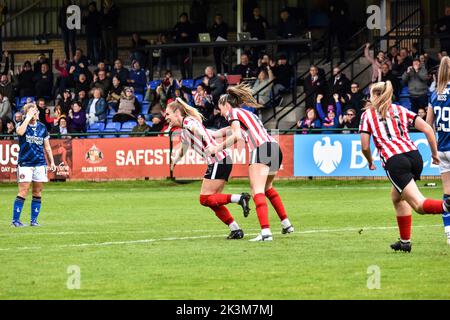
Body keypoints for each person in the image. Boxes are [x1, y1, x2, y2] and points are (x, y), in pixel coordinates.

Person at [359, 80, 450, 252]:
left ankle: (446, 206)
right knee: (397, 197)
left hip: (395, 161)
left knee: (418, 205)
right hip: (415, 157)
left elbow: (364, 146)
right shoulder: (400, 109)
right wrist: (434, 153)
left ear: (374, 96)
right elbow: (428, 129)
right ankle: (405, 242)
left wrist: (370, 161)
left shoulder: (367, 115)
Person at [209, 84, 294, 241]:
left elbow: (236, 136)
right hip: (274, 149)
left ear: (226, 104)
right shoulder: (247, 114)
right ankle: (286, 224)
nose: (221, 113)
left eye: (220, 108)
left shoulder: (232, 113)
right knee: (267, 188)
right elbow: (225, 132)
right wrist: (206, 133)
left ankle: (266, 233)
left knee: (257, 191)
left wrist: (217, 148)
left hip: (261, 149)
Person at [166, 98, 250, 239]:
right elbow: (183, 149)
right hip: (221, 161)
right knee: (213, 201)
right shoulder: (185, 131)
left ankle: (240, 198)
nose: (166, 118)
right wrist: (174, 160)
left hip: (218, 160)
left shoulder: (188, 122)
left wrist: (201, 134)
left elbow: (197, 128)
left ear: (177, 113)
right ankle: (235, 229)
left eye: (168, 114)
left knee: (204, 199)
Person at [11, 103, 56, 227]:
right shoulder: (22, 125)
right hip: (25, 163)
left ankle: (34, 221)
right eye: (32, 112)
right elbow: (19, 133)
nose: (35, 114)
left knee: (37, 192)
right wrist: (26, 118)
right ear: (27, 114)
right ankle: (15, 221)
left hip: (40, 163)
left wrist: (52, 161)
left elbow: (47, 147)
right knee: (23, 191)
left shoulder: (42, 127)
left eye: (35, 111)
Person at [426, 56, 450, 245]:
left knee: (447, 193)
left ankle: (449, 232)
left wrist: (433, 150)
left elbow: (428, 125)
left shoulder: (434, 94)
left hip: (441, 148)